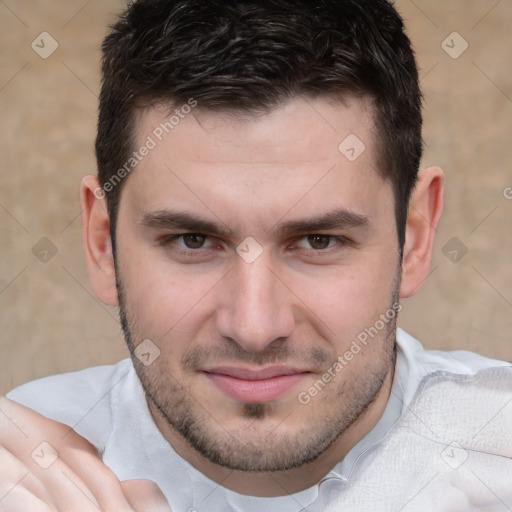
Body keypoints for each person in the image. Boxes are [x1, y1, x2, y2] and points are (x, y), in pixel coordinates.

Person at [1, 0, 511, 510]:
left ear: (415, 236)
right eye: (193, 241)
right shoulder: (19, 467)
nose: (254, 326)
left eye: (318, 241)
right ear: (102, 243)